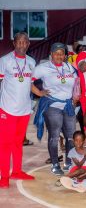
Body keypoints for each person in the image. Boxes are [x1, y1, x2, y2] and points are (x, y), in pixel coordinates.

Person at [32, 42, 77, 175]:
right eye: (56, 53)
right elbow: (28, 80)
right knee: (54, 136)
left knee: (71, 137)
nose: (59, 55)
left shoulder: (69, 67)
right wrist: (39, 93)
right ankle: (55, 164)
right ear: (51, 54)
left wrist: (75, 97)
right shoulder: (43, 67)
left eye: (61, 53)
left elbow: (76, 83)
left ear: (64, 55)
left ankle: (68, 162)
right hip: (52, 105)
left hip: (68, 105)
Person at [0, 32, 36, 188]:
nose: (22, 45)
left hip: (24, 109)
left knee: (17, 142)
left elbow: (31, 84)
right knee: (5, 144)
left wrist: (40, 93)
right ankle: (4, 177)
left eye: (25, 42)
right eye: (19, 42)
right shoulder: (4, 60)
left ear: (28, 44)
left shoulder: (32, 62)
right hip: (7, 109)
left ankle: (17, 171)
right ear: (14, 43)